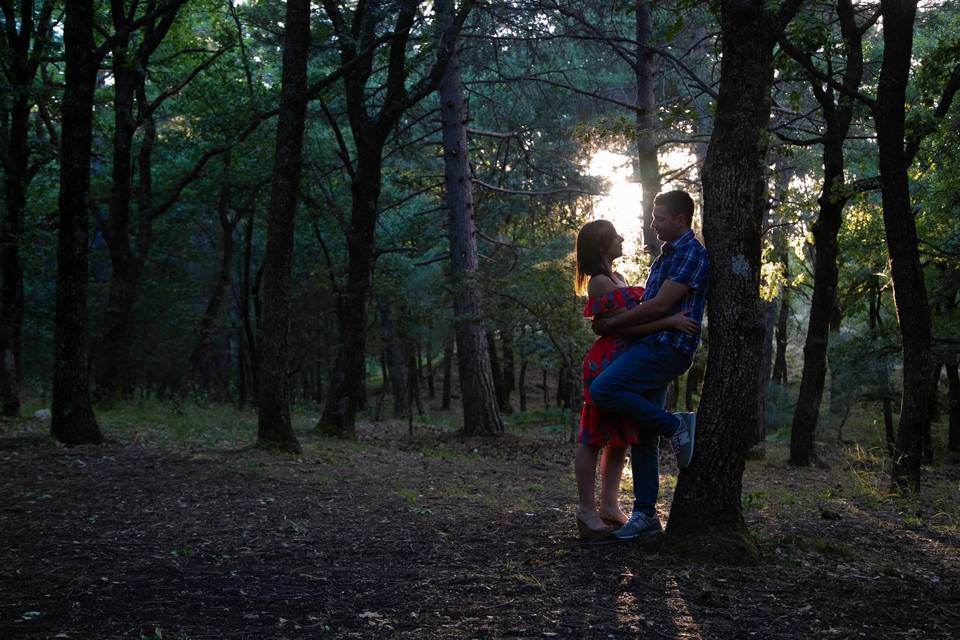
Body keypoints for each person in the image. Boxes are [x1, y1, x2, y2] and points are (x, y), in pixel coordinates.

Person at [589, 190, 710, 540]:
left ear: (680, 220)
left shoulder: (691, 254)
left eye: (659, 218)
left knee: (604, 388)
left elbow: (659, 307)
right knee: (643, 435)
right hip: (649, 343)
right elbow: (652, 308)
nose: (652, 224)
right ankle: (645, 515)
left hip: (667, 347)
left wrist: (613, 324)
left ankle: (675, 425)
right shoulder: (665, 256)